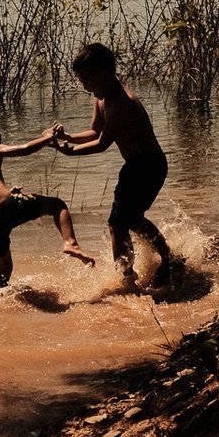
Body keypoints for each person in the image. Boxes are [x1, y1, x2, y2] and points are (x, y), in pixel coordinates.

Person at [52, 42, 175, 292]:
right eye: (82, 81)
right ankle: (167, 260)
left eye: (88, 80)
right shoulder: (102, 99)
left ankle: (129, 279)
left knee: (118, 224)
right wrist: (67, 137)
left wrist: (68, 152)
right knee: (131, 220)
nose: (86, 86)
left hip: (148, 166)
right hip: (136, 166)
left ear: (105, 73)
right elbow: (94, 131)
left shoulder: (121, 102)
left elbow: (101, 144)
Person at [0, 117, 94, 288]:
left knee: (4, 265)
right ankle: (71, 244)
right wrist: (48, 137)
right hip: (8, 206)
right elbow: (26, 148)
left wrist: (7, 193)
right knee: (57, 205)